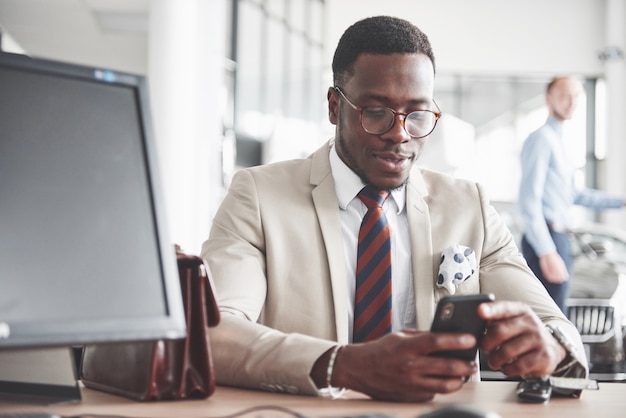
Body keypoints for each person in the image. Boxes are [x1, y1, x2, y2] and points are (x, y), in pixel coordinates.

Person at [202, 16, 588, 403]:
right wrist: (344, 365)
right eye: (376, 112)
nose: (400, 133)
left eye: (417, 114)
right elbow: (213, 333)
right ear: (335, 106)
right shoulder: (258, 196)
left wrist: (551, 347)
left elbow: (555, 324)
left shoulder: (469, 206)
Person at [518, 76, 626, 315]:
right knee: (549, 319)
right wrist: (547, 251)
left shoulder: (560, 141)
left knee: (556, 317)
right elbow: (528, 201)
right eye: (564, 96)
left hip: (561, 237)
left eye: (576, 96)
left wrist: (620, 201)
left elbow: (573, 195)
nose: (571, 102)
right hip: (547, 238)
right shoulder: (542, 139)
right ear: (549, 99)